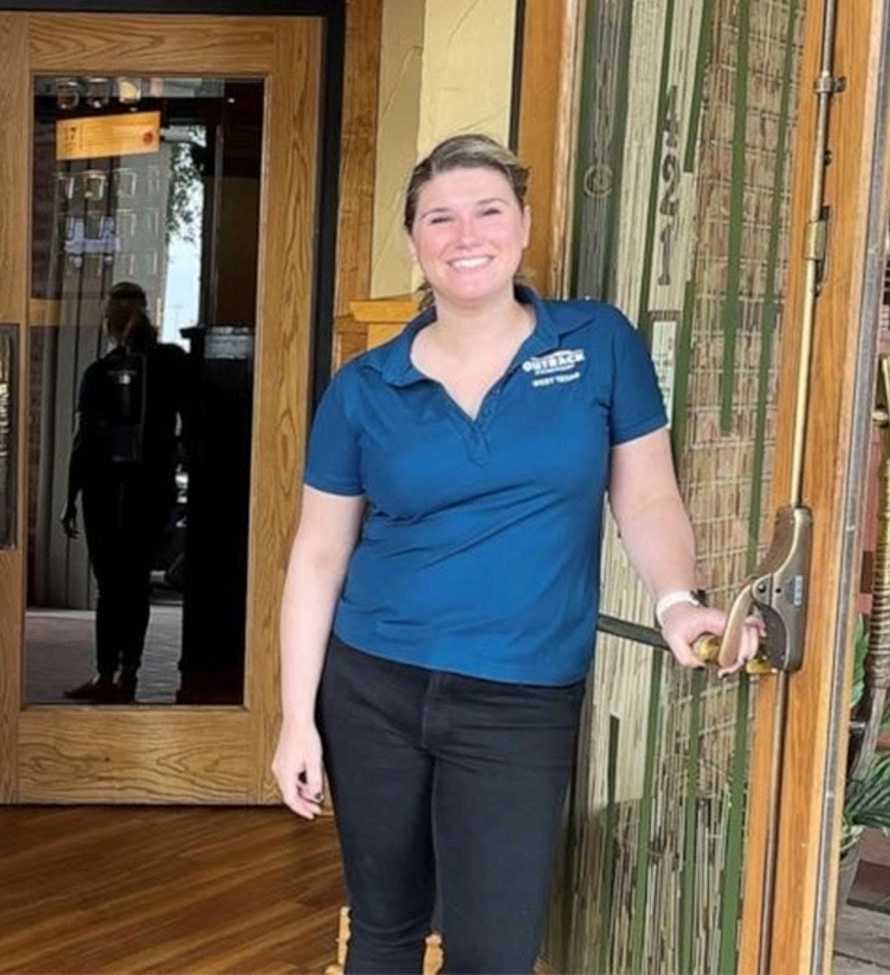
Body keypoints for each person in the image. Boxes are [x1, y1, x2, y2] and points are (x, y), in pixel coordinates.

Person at [270, 134, 762, 973]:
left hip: (520, 697)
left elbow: (645, 494)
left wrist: (676, 600)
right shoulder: (364, 386)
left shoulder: (597, 344)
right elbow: (318, 556)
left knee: (492, 950)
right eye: (440, 218)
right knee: (384, 927)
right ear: (416, 240)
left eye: (488, 211)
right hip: (373, 686)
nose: (467, 235)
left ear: (525, 225)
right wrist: (294, 721)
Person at [60, 282, 188, 702]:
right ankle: (127, 673)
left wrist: (69, 500)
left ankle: (107, 672)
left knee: (112, 586)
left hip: (107, 490)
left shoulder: (100, 373)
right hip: (151, 488)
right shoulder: (171, 364)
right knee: (133, 585)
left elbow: (83, 441)